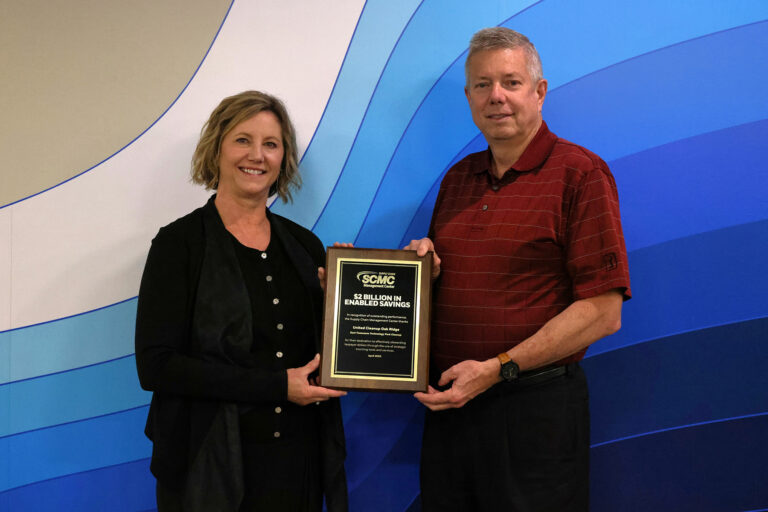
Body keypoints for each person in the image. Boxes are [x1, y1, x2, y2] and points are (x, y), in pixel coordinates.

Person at [406, 27, 631, 511]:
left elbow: (602, 311)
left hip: (535, 414)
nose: (497, 97)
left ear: (539, 91)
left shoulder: (580, 173)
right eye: (482, 84)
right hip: (451, 410)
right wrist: (426, 268)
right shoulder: (459, 178)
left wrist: (498, 370)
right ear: (468, 96)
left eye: (510, 81)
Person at [135, 90, 348, 512]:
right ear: (216, 148)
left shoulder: (306, 247)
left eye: (271, 144)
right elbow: (157, 365)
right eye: (243, 140)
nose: (257, 155)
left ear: (283, 159)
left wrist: (343, 305)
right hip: (206, 465)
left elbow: (324, 359)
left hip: (296, 461)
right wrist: (275, 386)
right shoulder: (178, 245)